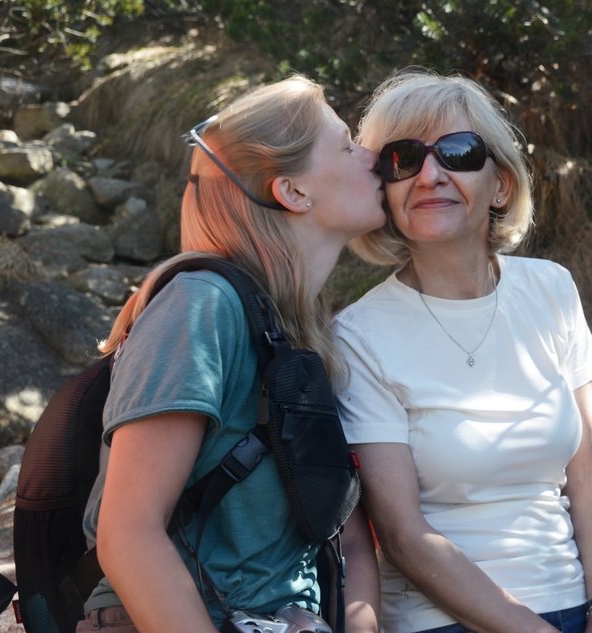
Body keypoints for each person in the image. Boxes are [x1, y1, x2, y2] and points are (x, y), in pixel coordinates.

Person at [78, 75, 385, 633]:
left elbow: (350, 540)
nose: (372, 157)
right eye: (346, 146)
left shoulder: (297, 330)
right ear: (292, 191)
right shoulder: (202, 306)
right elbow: (128, 534)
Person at [333, 69, 592, 633]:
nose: (430, 176)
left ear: (501, 186)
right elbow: (401, 535)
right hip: (440, 619)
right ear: (385, 192)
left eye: (458, 152)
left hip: (576, 604)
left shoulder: (550, 289)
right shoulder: (358, 335)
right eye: (403, 159)